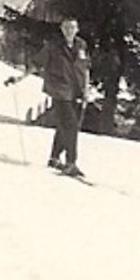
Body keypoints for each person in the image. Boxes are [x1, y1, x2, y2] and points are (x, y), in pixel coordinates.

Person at [40, 16, 91, 177]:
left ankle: (54, 158)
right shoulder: (53, 46)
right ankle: (71, 163)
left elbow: (86, 68)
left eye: (72, 28)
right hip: (59, 90)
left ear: (77, 29)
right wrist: (19, 78)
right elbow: (37, 63)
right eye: (66, 28)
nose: (69, 31)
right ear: (61, 29)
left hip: (76, 91)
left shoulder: (81, 45)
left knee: (65, 125)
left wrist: (86, 90)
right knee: (71, 125)